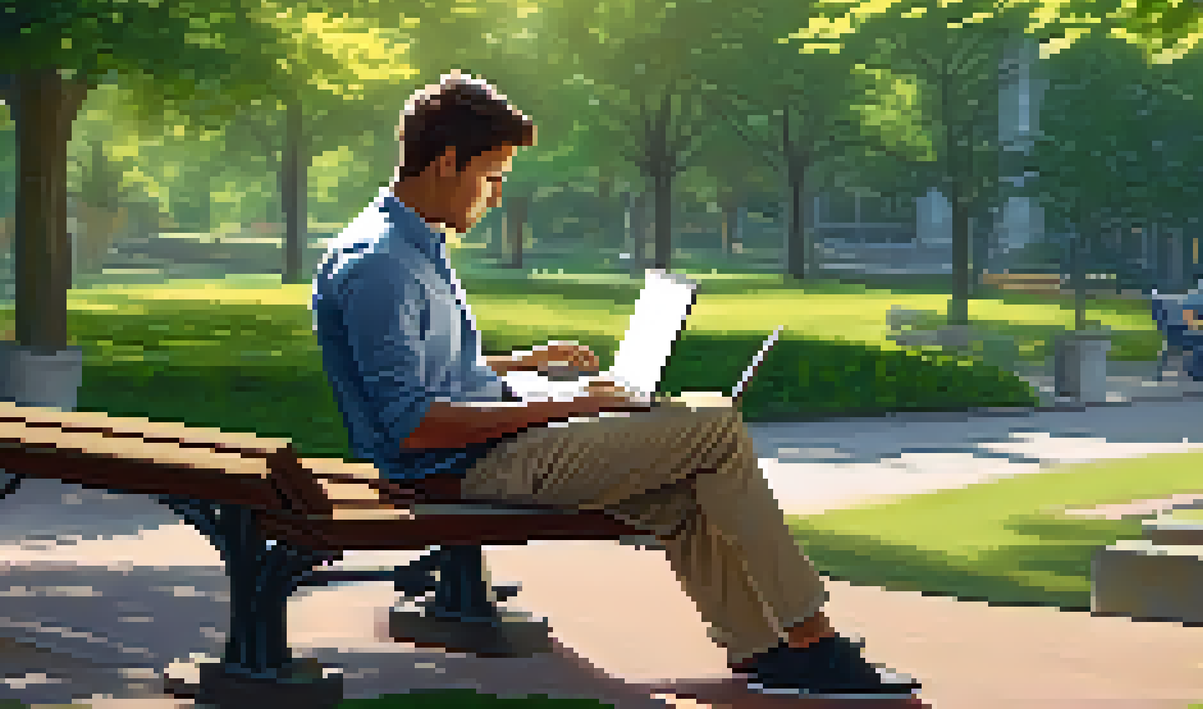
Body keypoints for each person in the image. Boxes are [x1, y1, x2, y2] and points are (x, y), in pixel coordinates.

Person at [310, 71, 919, 699]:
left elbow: (438, 375)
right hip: (457, 469)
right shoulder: (381, 265)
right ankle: (814, 641)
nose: (494, 197)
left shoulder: (408, 247)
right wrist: (571, 405)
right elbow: (412, 424)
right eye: (492, 176)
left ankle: (765, 651)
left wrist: (527, 365)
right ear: (445, 163)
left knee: (686, 488)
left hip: (476, 450)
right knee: (712, 426)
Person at [1164, 272, 1203, 382]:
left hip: (1190, 330)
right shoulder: (1196, 299)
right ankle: (1195, 370)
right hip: (1179, 332)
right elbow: (1190, 321)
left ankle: (1197, 368)